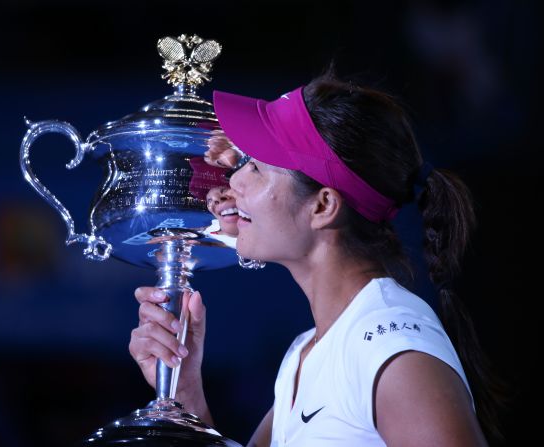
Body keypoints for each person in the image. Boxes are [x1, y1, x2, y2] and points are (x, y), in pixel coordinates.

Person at [128, 70, 504, 446]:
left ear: (323, 205)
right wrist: (185, 388)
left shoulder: (391, 346)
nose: (233, 183)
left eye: (256, 168)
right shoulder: (307, 352)